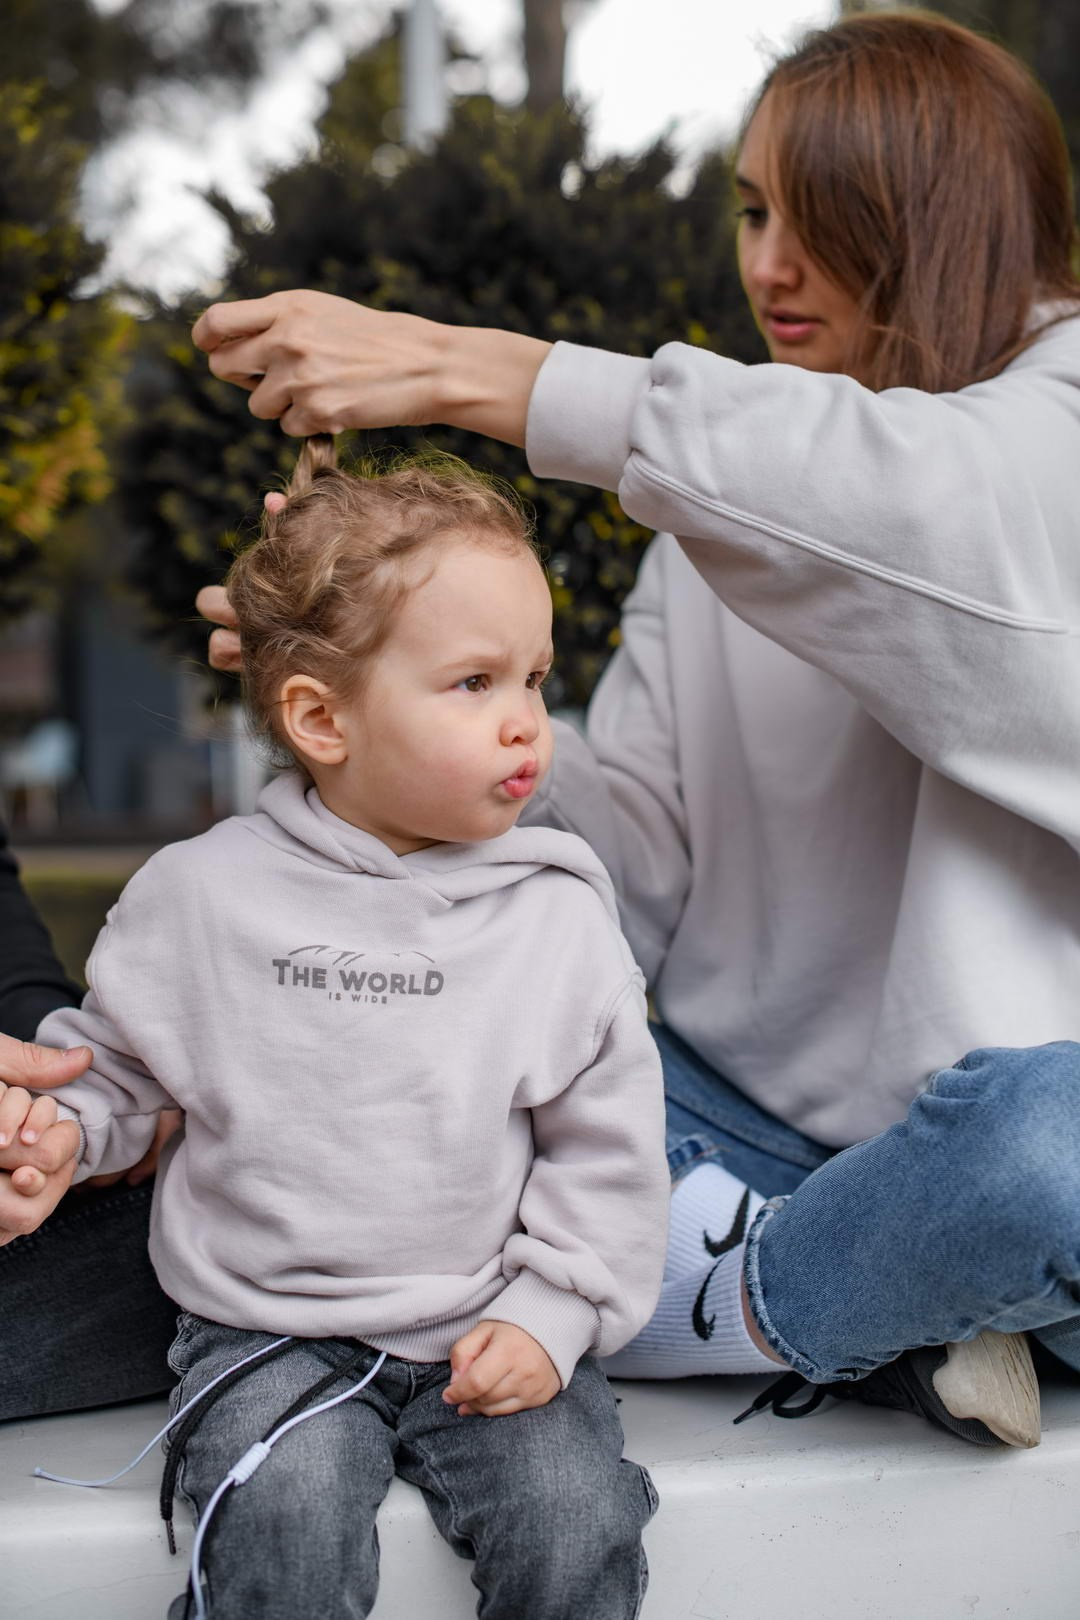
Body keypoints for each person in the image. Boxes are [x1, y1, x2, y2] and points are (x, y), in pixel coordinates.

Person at [186, 7, 1080, 1451]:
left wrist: (472, 372)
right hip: (725, 1128)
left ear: (941, 220)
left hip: (994, 1149)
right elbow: (638, 882)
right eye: (752, 211)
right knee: (444, 1063)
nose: (767, 265)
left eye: (819, 219)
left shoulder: (1044, 414)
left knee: (1051, 1146)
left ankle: (743, 1293)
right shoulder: (716, 517)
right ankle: (878, 1295)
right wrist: (416, 703)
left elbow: (922, 495)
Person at [0, 441, 668, 1620]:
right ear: (320, 717)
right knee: (283, 1517)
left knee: (576, 1519)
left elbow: (606, 1158)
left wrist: (553, 1316)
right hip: (267, 1330)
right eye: (474, 683)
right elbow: (121, 1070)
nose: (526, 722)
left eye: (534, 677)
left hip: (491, 1319)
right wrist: (66, 1133)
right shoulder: (202, 899)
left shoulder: (557, 923)